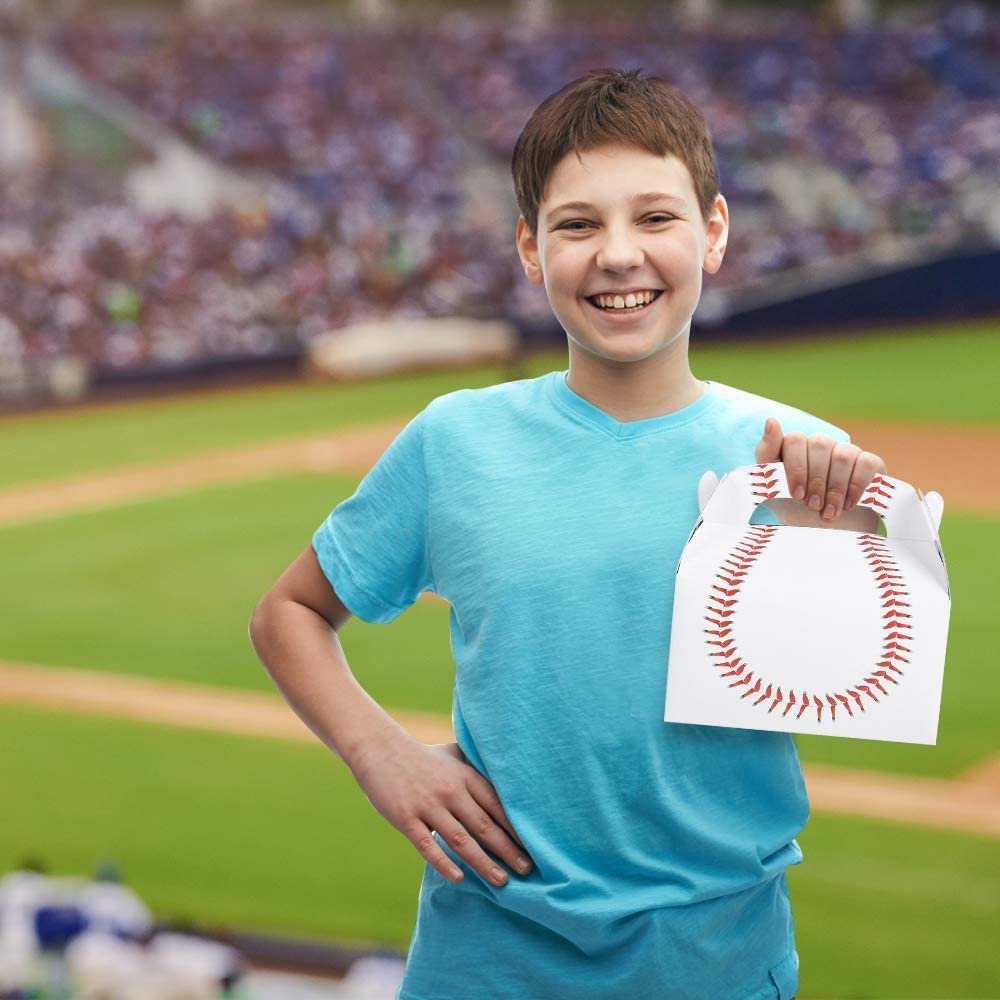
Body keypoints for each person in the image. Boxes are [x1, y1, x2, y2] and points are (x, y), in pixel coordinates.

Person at [248, 68, 887, 1000]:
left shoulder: (799, 461)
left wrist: (831, 539)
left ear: (713, 233)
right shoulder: (456, 441)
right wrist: (379, 753)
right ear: (530, 248)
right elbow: (290, 612)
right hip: (486, 959)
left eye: (655, 218)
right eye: (578, 224)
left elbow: (861, 680)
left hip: (718, 963)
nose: (618, 254)